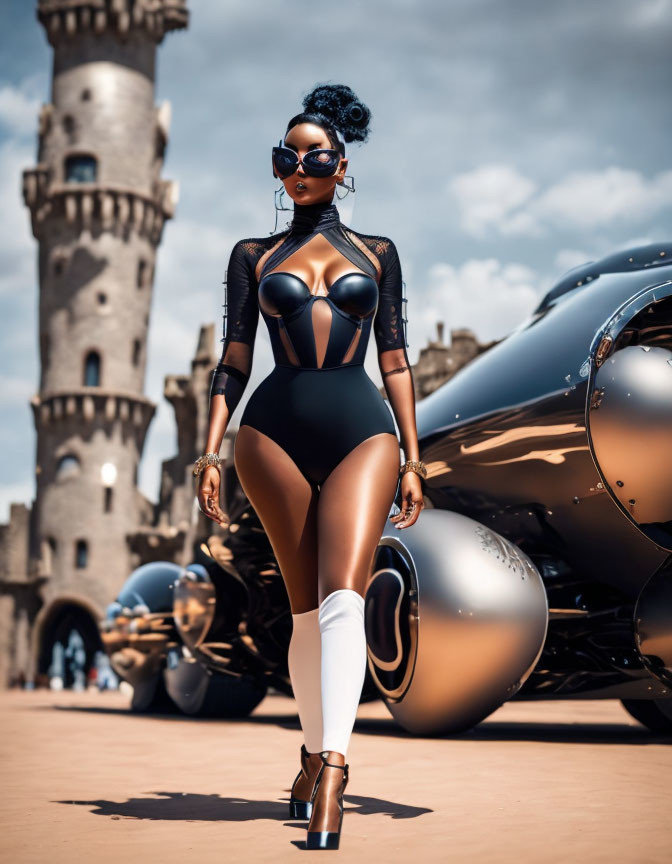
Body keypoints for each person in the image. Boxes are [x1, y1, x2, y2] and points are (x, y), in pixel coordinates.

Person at [194, 82, 425, 850]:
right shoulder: (252, 256)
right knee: (302, 614)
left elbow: (394, 359)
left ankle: (333, 768)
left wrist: (416, 457)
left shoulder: (380, 254)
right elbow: (233, 361)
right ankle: (307, 752)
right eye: (283, 158)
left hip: (365, 431)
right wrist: (211, 449)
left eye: (313, 156)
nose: (297, 168)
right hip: (270, 434)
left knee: (342, 602)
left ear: (341, 163)